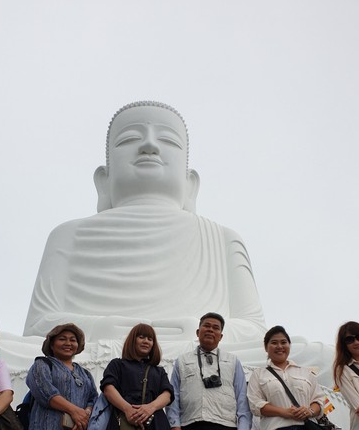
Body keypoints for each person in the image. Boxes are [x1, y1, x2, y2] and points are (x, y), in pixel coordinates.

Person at [24, 101, 266, 345]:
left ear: (190, 183)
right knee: (7, 350)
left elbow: (255, 330)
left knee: (300, 352)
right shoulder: (68, 234)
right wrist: (100, 327)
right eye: (128, 139)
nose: (149, 145)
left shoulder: (222, 238)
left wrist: (196, 329)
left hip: (197, 349)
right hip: (95, 348)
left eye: (169, 141)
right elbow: (38, 325)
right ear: (103, 179)